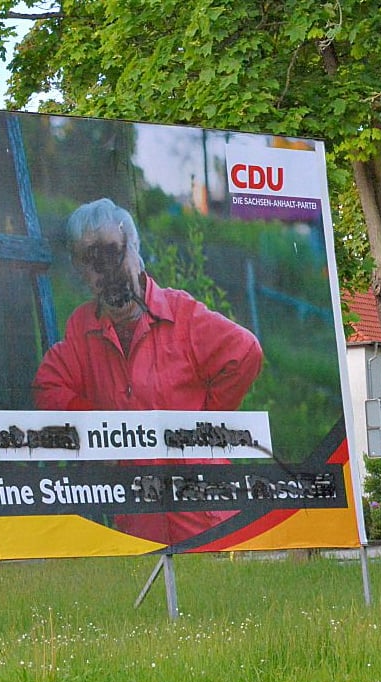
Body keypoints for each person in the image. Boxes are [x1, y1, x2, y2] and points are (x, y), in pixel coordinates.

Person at [32, 198, 263, 545]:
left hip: (205, 515)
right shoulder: (82, 328)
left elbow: (245, 352)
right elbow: (48, 387)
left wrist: (203, 425)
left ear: (135, 250)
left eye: (113, 253)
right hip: (138, 520)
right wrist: (104, 435)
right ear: (81, 271)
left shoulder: (181, 312)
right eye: (92, 261)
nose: (106, 271)